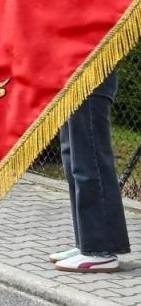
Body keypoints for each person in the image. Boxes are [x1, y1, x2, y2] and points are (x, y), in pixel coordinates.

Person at [49, 72, 131, 273]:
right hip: (72, 76)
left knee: (90, 162)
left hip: (91, 77)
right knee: (74, 162)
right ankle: (86, 244)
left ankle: (101, 251)